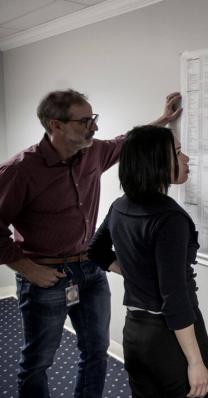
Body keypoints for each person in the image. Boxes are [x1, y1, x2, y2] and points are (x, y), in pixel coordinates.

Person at [0, 89, 182, 397]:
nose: (94, 127)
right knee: (38, 362)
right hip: (46, 279)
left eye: (93, 118)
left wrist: (164, 119)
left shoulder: (94, 152)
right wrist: (29, 269)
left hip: (90, 272)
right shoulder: (20, 170)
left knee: (96, 351)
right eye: (85, 121)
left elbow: (127, 142)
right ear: (55, 125)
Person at [88, 125, 208, 398]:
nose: (186, 159)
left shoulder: (120, 205)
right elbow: (175, 296)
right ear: (155, 162)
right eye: (178, 152)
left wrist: (134, 273)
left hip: (135, 334)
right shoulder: (170, 219)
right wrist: (195, 361)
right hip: (170, 341)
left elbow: (95, 250)